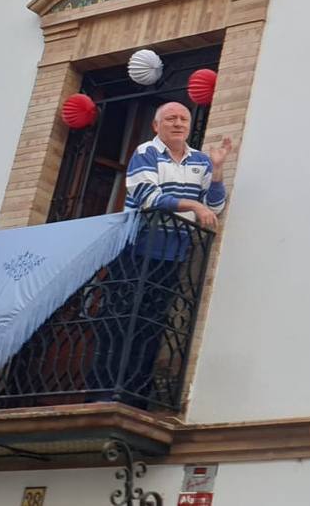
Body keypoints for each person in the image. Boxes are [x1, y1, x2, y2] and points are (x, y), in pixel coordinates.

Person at [91, 102, 234, 407]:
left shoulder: (200, 161)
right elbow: (146, 196)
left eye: (183, 118)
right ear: (157, 126)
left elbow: (216, 206)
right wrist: (194, 206)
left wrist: (218, 171)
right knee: (120, 320)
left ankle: (135, 395)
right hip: (134, 249)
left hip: (172, 257)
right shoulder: (147, 152)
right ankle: (104, 392)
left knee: (151, 324)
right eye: (171, 118)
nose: (178, 123)